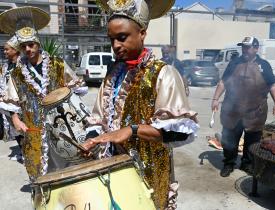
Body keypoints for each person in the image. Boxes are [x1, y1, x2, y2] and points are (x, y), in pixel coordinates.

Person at [81, 0, 198, 209]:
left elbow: (178, 133)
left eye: (122, 37)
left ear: (142, 33)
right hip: (113, 168)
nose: (116, 45)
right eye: (112, 39)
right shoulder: (113, 74)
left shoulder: (164, 74)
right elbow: (97, 117)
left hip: (149, 172)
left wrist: (132, 130)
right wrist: (93, 140)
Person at [0, 6, 87, 181]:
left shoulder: (57, 64)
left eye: (31, 45)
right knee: (41, 177)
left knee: (70, 173)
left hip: (62, 129)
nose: (28, 50)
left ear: (38, 44)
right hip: (34, 133)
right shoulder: (16, 74)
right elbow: (11, 103)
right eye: (24, 47)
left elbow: (77, 90)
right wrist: (16, 120)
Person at [211, 36, 275, 177]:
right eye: (243, 47)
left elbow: (273, 85)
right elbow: (223, 82)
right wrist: (215, 98)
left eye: (248, 47)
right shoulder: (234, 63)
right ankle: (229, 163)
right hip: (233, 109)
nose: (245, 50)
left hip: (255, 111)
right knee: (229, 138)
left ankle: (246, 163)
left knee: (252, 140)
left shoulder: (264, 65)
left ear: (256, 48)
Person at [0, 35, 24, 162]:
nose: (5, 52)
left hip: (21, 103)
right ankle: (22, 151)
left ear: (15, 50)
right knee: (15, 129)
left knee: (23, 128)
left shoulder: (23, 65)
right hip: (8, 103)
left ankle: (28, 152)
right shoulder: (5, 66)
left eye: (7, 49)